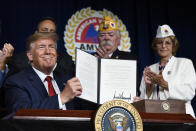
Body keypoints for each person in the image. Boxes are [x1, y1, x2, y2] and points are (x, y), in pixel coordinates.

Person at [3, 32, 84, 113]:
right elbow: (20, 112)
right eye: (41, 47)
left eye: (52, 47)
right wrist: (61, 98)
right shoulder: (16, 82)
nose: (48, 51)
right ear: (30, 55)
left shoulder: (68, 80)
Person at [134, 24, 196, 118]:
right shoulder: (150, 69)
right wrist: (149, 87)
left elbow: (189, 92)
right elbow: (144, 101)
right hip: (155, 119)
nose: (163, 46)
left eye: (167, 43)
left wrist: (164, 84)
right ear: (155, 46)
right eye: (160, 42)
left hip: (182, 117)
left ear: (173, 46)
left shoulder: (185, 63)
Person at [7, 17, 74, 78]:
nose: (48, 34)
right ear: (36, 33)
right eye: (44, 31)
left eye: (52, 32)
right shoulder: (18, 60)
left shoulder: (67, 60)